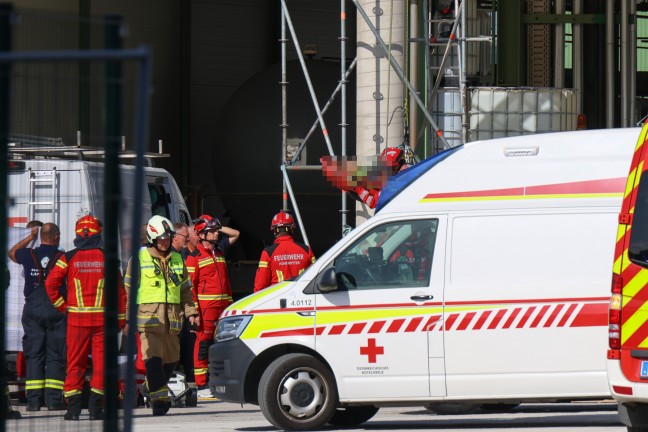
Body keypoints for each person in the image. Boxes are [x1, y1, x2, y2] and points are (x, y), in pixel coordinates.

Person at [45, 215, 126, 421]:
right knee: (101, 365)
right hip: (102, 322)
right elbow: (120, 292)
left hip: (76, 321)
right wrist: (120, 321)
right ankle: (95, 409)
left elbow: (50, 285)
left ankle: (72, 410)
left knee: (75, 364)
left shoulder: (67, 258)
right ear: (98, 232)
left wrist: (63, 307)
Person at [124, 215, 199, 416]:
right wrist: (128, 318)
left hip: (173, 320)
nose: (165, 241)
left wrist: (191, 312)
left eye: (168, 238)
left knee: (173, 360)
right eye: (161, 238)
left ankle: (149, 386)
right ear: (152, 238)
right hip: (149, 320)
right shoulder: (138, 258)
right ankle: (159, 400)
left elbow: (185, 289)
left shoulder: (177, 258)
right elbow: (129, 290)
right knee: (153, 360)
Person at [8, 222, 66, 412]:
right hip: (56, 308)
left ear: (41, 236)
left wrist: (30, 238)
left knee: (34, 355)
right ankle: (54, 401)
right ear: (56, 237)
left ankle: (33, 402)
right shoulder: (63, 257)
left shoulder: (28, 254)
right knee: (55, 355)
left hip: (32, 308)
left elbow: (12, 252)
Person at [185, 214, 239, 397]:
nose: (216, 234)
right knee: (203, 344)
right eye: (212, 232)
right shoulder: (194, 257)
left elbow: (235, 234)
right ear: (201, 234)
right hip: (206, 308)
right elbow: (190, 288)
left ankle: (218, 380)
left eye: (217, 231)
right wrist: (193, 312)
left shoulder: (220, 250)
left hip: (224, 307)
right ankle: (201, 385)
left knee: (222, 344)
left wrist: (216, 225)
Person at [171, 221, 198, 407]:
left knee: (187, 356)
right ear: (175, 237)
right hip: (170, 317)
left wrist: (191, 312)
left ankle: (189, 393)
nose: (187, 240)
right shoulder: (168, 258)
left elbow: (186, 289)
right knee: (172, 356)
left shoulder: (181, 257)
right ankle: (175, 393)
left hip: (183, 315)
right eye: (184, 237)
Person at [253, 211, 315, 292]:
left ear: (274, 231)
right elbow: (316, 277)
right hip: (301, 299)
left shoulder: (268, 253)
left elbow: (260, 286)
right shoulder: (306, 250)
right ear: (292, 229)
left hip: (276, 299)